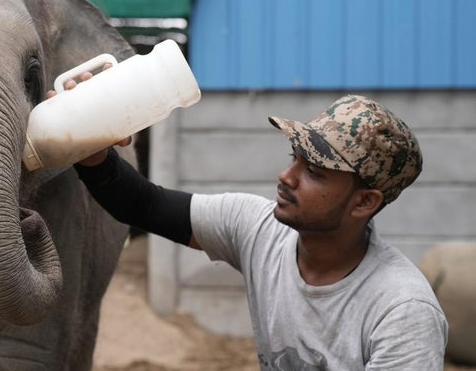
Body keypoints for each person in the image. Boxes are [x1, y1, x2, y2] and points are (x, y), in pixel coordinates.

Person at [57, 81, 448, 369]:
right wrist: (93, 152)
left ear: (364, 202)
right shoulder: (259, 230)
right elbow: (144, 205)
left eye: (313, 172)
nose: (286, 176)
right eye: (293, 157)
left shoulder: (401, 311)